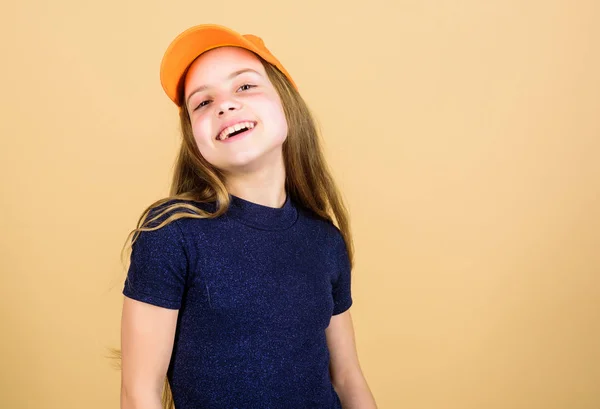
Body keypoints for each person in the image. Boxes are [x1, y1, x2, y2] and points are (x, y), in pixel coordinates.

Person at [119, 24, 377, 409]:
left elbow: (347, 377)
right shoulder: (172, 235)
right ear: (193, 137)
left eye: (244, 87)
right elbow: (139, 393)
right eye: (202, 102)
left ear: (287, 103)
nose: (224, 105)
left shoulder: (325, 240)